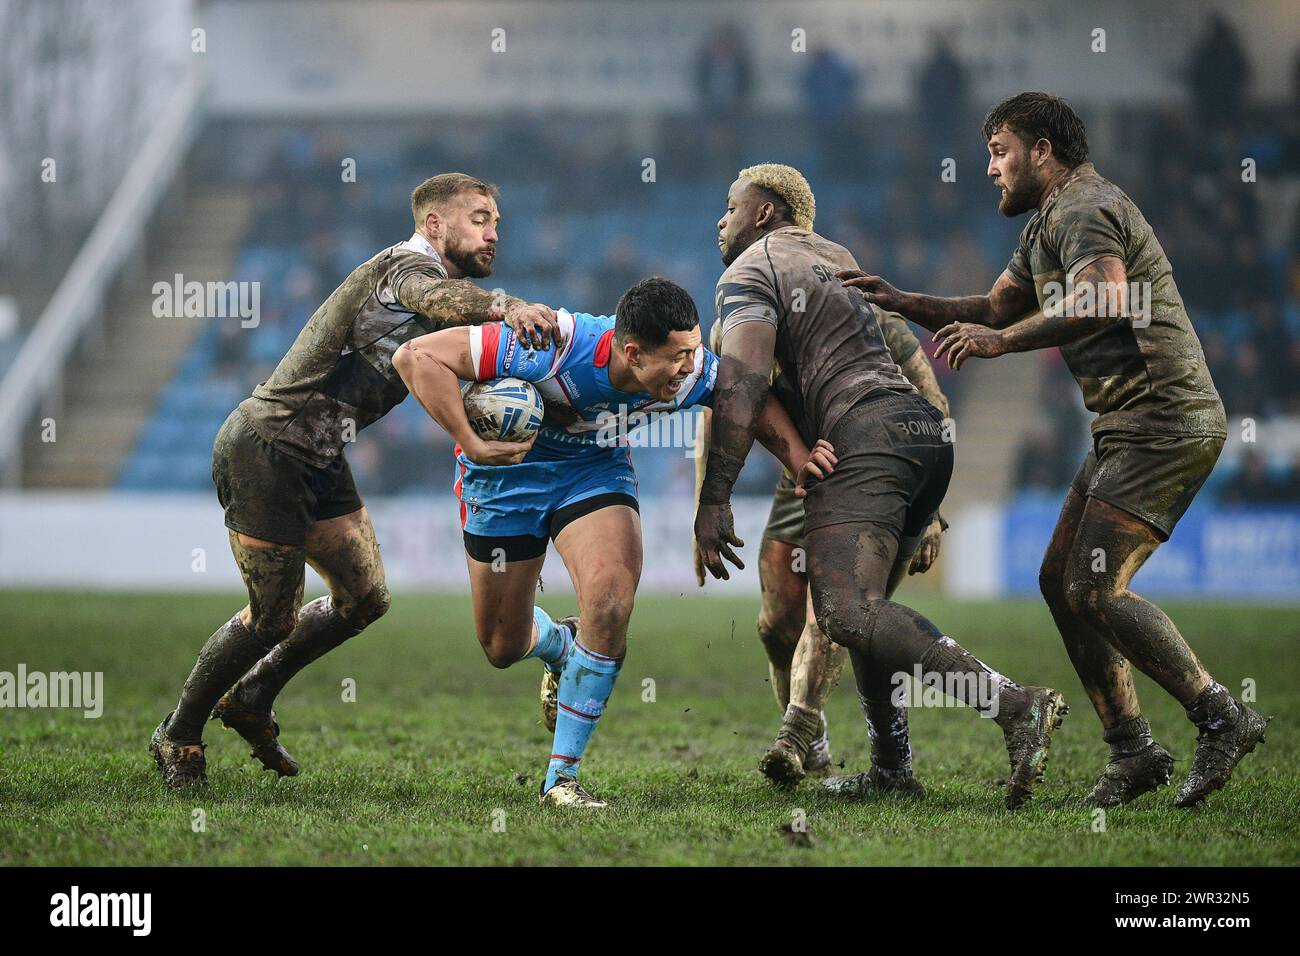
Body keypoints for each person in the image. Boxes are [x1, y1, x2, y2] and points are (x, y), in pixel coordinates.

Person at [842, 92, 1268, 807]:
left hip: (1165, 417)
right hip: (1124, 426)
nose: (990, 168)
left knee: (1092, 588)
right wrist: (902, 299)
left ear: (1043, 150)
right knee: (1057, 579)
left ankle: (1221, 716)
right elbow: (992, 307)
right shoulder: (1048, 223)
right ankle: (1133, 749)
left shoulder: (1085, 206)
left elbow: (1102, 298)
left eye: (1000, 150)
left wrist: (1002, 344)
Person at [150, 173, 559, 789]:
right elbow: (438, 301)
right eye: (479, 218)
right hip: (269, 446)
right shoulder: (401, 269)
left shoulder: (432, 299)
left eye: (496, 221)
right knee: (272, 618)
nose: (492, 232)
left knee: (364, 598)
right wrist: (509, 306)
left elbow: (454, 366)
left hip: (320, 457)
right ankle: (178, 734)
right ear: (434, 224)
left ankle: (253, 696)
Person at [696, 163, 1067, 811]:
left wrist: (715, 498)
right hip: (921, 435)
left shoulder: (749, 270)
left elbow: (743, 383)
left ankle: (1015, 705)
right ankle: (892, 769)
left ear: (764, 213)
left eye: (731, 206)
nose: (720, 219)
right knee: (866, 616)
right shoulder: (834, 258)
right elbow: (906, 352)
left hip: (861, 439)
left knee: (845, 613)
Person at [394, 277, 833, 808]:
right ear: (632, 353)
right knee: (501, 646)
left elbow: (747, 401)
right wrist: (471, 443)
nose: (689, 367)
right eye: (677, 357)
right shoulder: (550, 345)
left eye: (693, 351)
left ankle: (561, 779)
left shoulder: (692, 372)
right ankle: (561, 645)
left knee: (611, 601)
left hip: (593, 474)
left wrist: (799, 462)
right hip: (504, 479)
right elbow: (415, 356)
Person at [693, 308, 949, 794]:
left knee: (830, 613)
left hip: (869, 475)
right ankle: (814, 746)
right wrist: (706, 504)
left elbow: (932, 402)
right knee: (775, 626)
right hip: (802, 478)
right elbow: (718, 412)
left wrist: (931, 510)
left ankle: (794, 737)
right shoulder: (735, 324)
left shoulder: (870, 319)